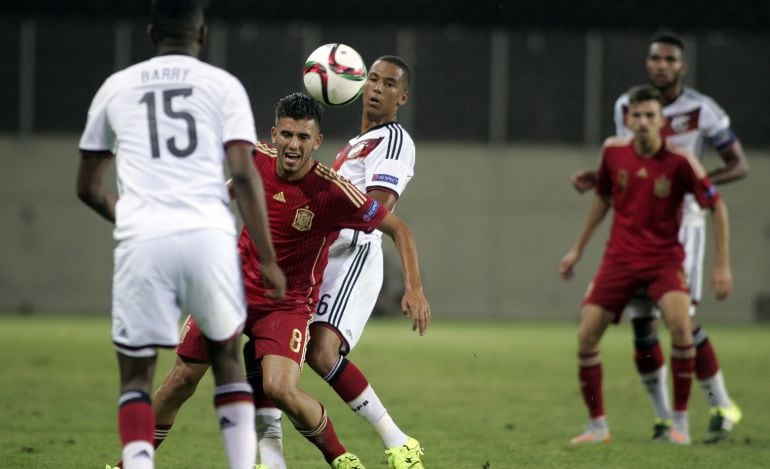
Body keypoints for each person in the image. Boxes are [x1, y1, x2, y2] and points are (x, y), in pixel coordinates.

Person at [114, 92, 431, 469]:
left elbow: (399, 229)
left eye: (302, 138)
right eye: (286, 135)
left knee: (279, 388)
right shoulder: (254, 159)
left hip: (287, 303)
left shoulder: (333, 192)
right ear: (274, 134)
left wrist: (414, 288)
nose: (292, 145)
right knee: (181, 379)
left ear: (316, 141)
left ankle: (341, 457)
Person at [77, 1, 285, 468]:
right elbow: (245, 174)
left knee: (136, 376)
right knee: (228, 360)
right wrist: (268, 258)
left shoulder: (117, 88)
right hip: (208, 235)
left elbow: (86, 187)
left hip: (143, 239)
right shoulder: (223, 86)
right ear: (203, 34)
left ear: (151, 33)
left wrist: (131, 215)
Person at [570, 32, 747, 443]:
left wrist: (693, 185)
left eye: (669, 59)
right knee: (641, 325)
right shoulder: (627, 105)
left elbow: (738, 164)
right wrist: (597, 178)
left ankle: (721, 404)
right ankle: (665, 417)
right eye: (655, 58)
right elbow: (629, 163)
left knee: (684, 322)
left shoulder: (702, 110)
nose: (661, 65)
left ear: (681, 66)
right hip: (636, 225)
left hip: (684, 222)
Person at [253, 55, 425, 469]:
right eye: (372, 79)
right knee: (269, 341)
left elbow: (380, 209)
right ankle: (270, 454)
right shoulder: (353, 144)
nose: (377, 88)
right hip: (322, 255)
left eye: (388, 84)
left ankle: (399, 442)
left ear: (401, 97)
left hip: (352, 256)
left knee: (321, 352)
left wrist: (413, 286)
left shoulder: (394, 141)